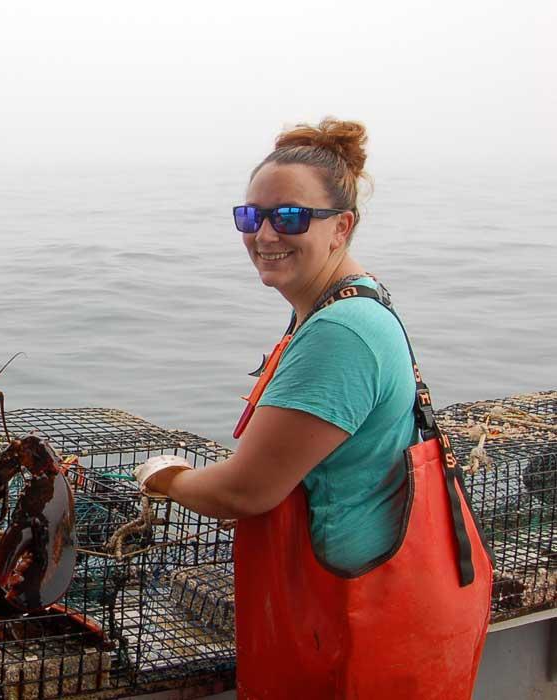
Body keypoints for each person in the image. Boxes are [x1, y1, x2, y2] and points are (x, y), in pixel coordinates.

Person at [135, 119, 493, 698]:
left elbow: (243, 493)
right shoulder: (353, 303)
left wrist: (164, 476)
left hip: (355, 615)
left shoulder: (341, 333)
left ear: (341, 227)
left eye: (291, 217)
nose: (265, 233)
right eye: (250, 217)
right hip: (386, 603)